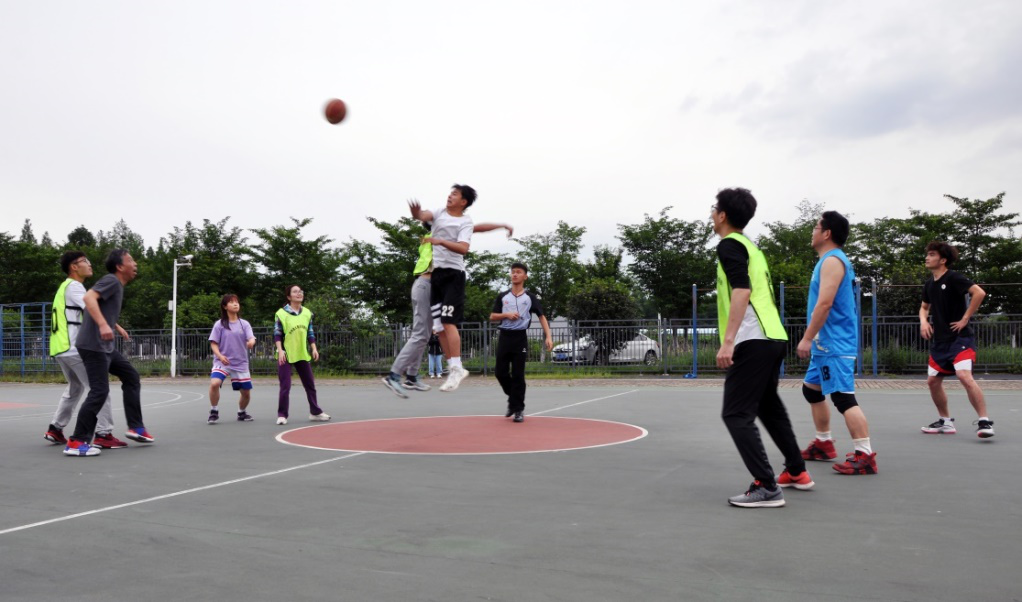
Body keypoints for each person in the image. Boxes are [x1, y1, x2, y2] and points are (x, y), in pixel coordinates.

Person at [712, 188, 810, 507]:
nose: (712, 214)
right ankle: (796, 470)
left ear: (723, 215)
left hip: (753, 339)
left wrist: (728, 342)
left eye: (714, 209)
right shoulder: (752, 248)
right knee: (768, 406)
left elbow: (742, 290)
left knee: (735, 413)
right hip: (773, 336)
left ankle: (766, 486)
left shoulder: (729, 245)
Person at [382, 216, 513, 397]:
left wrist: (501, 224)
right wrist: (501, 225)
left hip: (430, 287)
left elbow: (475, 228)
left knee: (425, 334)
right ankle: (393, 375)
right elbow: (474, 229)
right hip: (426, 285)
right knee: (420, 334)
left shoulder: (436, 237)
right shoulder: (436, 238)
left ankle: (411, 376)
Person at [793, 211, 877, 477]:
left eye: (816, 227)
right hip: (825, 344)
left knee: (842, 397)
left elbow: (825, 304)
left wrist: (807, 337)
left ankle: (865, 455)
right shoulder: (827, 261)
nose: (812, 232)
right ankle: (824, 443)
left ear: (827, 233)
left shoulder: (832, 261)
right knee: (811, 390)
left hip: (834, 343)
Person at [63, 249, 153, 457]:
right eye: (130, 260)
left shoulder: (117, 285)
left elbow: (100, 307)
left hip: (105, 347)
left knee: (131, 376)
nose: (135, 264)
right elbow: (88, 298)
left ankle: (136, 427)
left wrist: (114, 326)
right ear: (120, 266)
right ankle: (77, 441)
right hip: (93, 345)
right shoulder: (111, 280)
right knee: (99, 391)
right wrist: (104, 325)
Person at [45, 251, 130, 449]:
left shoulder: (64, 287)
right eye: (84, 261)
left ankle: (55, 428)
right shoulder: (74, 286)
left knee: (75, 388)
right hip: (75, 347)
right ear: (74, 267)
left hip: (61, 348)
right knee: (99, 389)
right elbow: (91, 307)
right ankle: (104, 433)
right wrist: (114, 326)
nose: (89, 264)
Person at [919, 241, 994, 438]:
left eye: (932, 254)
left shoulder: (953, 278)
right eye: (928, 254)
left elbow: (979, 293)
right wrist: (923, 322)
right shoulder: (929, 284)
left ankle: (984, 422)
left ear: (943, 260)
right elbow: (924, 307)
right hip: (940, 342)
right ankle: (945, 422)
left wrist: (965, 318)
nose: (927, 257)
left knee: (963, 376)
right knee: (933, 381)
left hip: (960, 339)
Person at [408, 184, 476, 392]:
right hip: (437, 275)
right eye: (450, 192)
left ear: (463, 201)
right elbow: (422, 215)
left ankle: (457, 367)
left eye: (455, 194)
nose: (450, 196)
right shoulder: (439, 212)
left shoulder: (465, 222)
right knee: (438, 328)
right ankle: (453, 367)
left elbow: (463, 248)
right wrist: (416, 213)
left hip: (453, 275)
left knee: (448, 322)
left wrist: (440, 241)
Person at [489, 262, 553, 423]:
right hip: (504, 337)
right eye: (513, 272)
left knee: (518, 374)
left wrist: (548, 336)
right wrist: (506, 315)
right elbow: (492, 317)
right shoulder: (503, 296)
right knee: (500, 373)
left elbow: (542, 316)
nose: (515, 274)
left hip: (520, 338)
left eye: (518, 272)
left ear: (525, 276)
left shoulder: (530, 297)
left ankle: (518, 409)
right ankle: (513, 400)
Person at [274, 284, 330, 425]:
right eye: (295, 292)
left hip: (301, 353)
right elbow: (277, 334)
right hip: (286, 354)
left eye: (301, 291)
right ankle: (282, 415)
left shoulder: (307, 313)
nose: (299, 293)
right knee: (285, 386)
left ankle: (315, 412)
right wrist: (280, 351)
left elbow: (310, 333)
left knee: (310, 384)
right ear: (289, 296)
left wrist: (314, 348)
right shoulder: (281, 313)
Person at [208, 294, 256, 424]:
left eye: (237, 302)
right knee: (214, 383)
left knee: (246, 393)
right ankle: (214, 411)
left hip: (240, 363)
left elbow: (251, 338)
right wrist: (220, 356)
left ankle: (242, 412)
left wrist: (251, 342)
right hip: (222, 362)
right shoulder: (219, 324)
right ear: (225, 306)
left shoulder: (244, 324)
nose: (235, 304)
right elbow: (213, 343)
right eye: (231, 302)